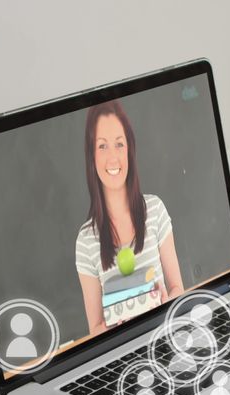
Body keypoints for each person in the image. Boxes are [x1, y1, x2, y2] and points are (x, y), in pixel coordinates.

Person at [76, 100, 184, 335]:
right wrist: (116, 327)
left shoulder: (155, 210)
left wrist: (164, 304)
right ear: (91, 155)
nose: (112, 157)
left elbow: (177, 288)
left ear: (129, 150)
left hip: (164, 334)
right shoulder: (86, 240)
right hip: (121, 349)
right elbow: (95, 328)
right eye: (102, 146)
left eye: (119, 144)